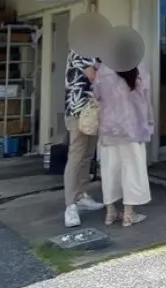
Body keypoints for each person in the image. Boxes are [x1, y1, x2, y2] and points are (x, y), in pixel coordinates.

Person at [92, 62, 153, 227]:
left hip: (109, 127)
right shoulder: (140, 69)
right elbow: (146, 100)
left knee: (109, 170)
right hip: (134, 127)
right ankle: (128, 214)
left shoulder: (104, 70)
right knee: (132, 170)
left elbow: (96, 94)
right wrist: (149, 124)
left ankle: (110, 212)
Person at [63, 51, 104, 228]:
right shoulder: (80, 51)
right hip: (78, 111)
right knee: (76, 157)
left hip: (93, 111)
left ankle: (81, 195)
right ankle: (70, 205)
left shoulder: (96, 53)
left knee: (87, 155)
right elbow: (93, 75)